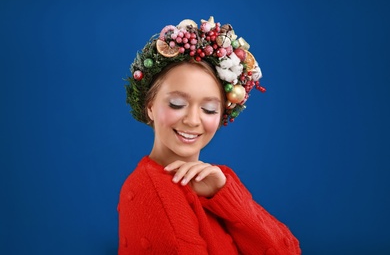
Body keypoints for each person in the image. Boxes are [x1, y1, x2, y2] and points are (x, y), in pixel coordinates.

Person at [118, 16, 301, 254]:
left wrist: (225, 196)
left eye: (209, 109)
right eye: (176, 103)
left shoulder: (216, 182)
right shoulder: (152, 190)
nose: (193, 120)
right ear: (150, 106)